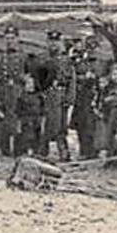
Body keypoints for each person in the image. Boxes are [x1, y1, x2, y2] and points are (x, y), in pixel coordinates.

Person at [37, 32, 75, 161]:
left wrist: (70, 97)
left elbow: (72, 80)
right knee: (46, 124)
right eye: (51, 41)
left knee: (61, 125)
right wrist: (40, 93)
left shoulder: (66, 61)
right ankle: (42, 151)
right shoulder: (42, 58)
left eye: (56, 42)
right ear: (47, 43)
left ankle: (63, 152)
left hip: (61, 94)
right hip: (47, 95)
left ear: (60, 43)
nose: (53, 44)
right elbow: (37, 77)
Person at [72, 55, 102, 159]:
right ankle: (83, 151)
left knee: (90, 128)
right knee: (81, 127)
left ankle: (91, 152)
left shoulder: (99, 69)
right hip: (81, 102)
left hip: (91, 104)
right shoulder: (79, 64)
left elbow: (99, 86)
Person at [15, 74, 44, 158]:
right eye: (28, 83)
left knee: (37, 138)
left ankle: (36, 153)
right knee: (26, 137)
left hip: (37, 120)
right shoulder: (21, 97)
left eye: (32, 83)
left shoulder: (39, 96)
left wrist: (41, 120)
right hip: (26, 120)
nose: (30, 86)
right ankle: (24, 153)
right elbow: (18, 111)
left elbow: (42, 109)